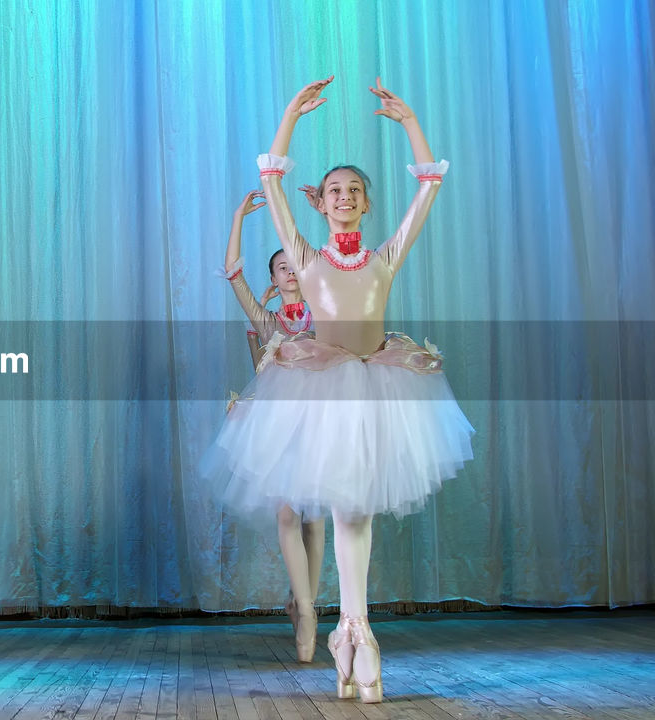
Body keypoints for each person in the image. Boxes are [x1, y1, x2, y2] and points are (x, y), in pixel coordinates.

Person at [203, 77, 474, 703]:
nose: (344, 197)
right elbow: (271, 183)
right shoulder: (304, 258)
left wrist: (409, 123)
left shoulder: (384, 257)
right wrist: (290, 116)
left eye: (354, 191)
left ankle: (356, 637)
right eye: (334, 191)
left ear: (365, 206)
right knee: (349, 511)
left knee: (357, 511)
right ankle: (357, 640)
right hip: (324, 390)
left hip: (378, 382)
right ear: (321, 205)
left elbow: (428, 187)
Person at [216, 189, 323, 663]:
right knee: (288, 513)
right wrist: (238, 216)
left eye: (296, 266)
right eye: (281, 268)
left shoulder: (327, 315)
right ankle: (305, 608)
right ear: (274, 281)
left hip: (325, 419)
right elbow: (233, 272)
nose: (290, 273)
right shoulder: (265, 319)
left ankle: (307, 605)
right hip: (280, 424)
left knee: (316, 516)